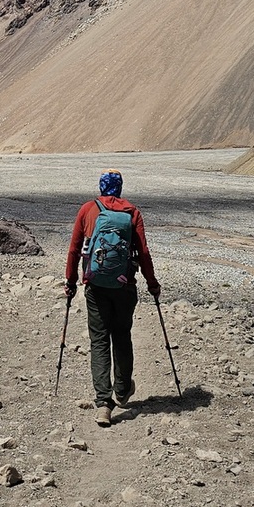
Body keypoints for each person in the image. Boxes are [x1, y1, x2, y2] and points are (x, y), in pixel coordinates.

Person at [64, 170, 160, 426]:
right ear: (119, 188)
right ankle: (122, 390)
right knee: (122, 335)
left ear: (101, 187)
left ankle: (103, 404)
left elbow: (75, 248)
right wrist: (152, 283)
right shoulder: (132, 212)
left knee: (99, 341)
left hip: (95, 286)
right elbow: (144, 251)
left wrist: (71, 282)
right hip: (124, 286)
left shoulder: (88, 209)